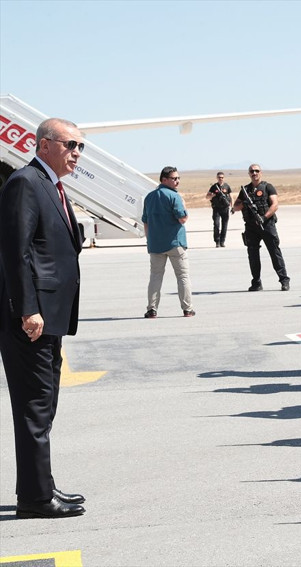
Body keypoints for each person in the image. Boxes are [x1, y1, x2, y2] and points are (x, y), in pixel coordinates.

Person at [0, 118, 86, 518]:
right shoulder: (25, 182)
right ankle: (34, 499)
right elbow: (15, 253)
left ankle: (41, 485)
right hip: (30, 319)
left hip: (49, 317)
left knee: (44, 404)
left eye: (81, 146)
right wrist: (28, 309)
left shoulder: (50, 185)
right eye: (71, 144)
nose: (77, 153)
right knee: (35, 406)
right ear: (45, 144)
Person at [142, 166, 194, 318]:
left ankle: (152, 309)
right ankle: (187, 308)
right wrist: (184, 205)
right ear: (164, 179)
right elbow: (182, 218)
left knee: (155, 276)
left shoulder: (149, 197)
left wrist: (149, 240)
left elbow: (146, 222)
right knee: (183, 276)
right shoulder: (174, 196)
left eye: (178, 178)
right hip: (175, 244)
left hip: (156, 245)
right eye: (174, 178)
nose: (177, 181)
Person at [233, 164, 290, 292]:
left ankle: (284, 280)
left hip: (267, 225)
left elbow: (275, 205)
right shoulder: (245, 190)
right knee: (253, 255)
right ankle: (256, 282)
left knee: (275, 252)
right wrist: (243, 203)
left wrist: (264, 218)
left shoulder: (267, 187)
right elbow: (236, 207)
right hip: (251, 227)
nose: (254, 173)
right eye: (252, 171)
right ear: (249, 174)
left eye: (256, 171)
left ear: (261, 172)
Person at [206, 171, 232, 247]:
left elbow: (231, 197)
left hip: (225, 209)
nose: (221, 179)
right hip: (216, 209)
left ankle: (222, 241)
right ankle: (217, 241)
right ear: (217, 178)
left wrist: (232, 206)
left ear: (224, 178)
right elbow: (207, 197)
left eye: (222, 177)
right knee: (216, 225)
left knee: (225, 226)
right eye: (219, 177)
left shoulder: (227, 186)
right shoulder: (214, 187)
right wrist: (212, 195)